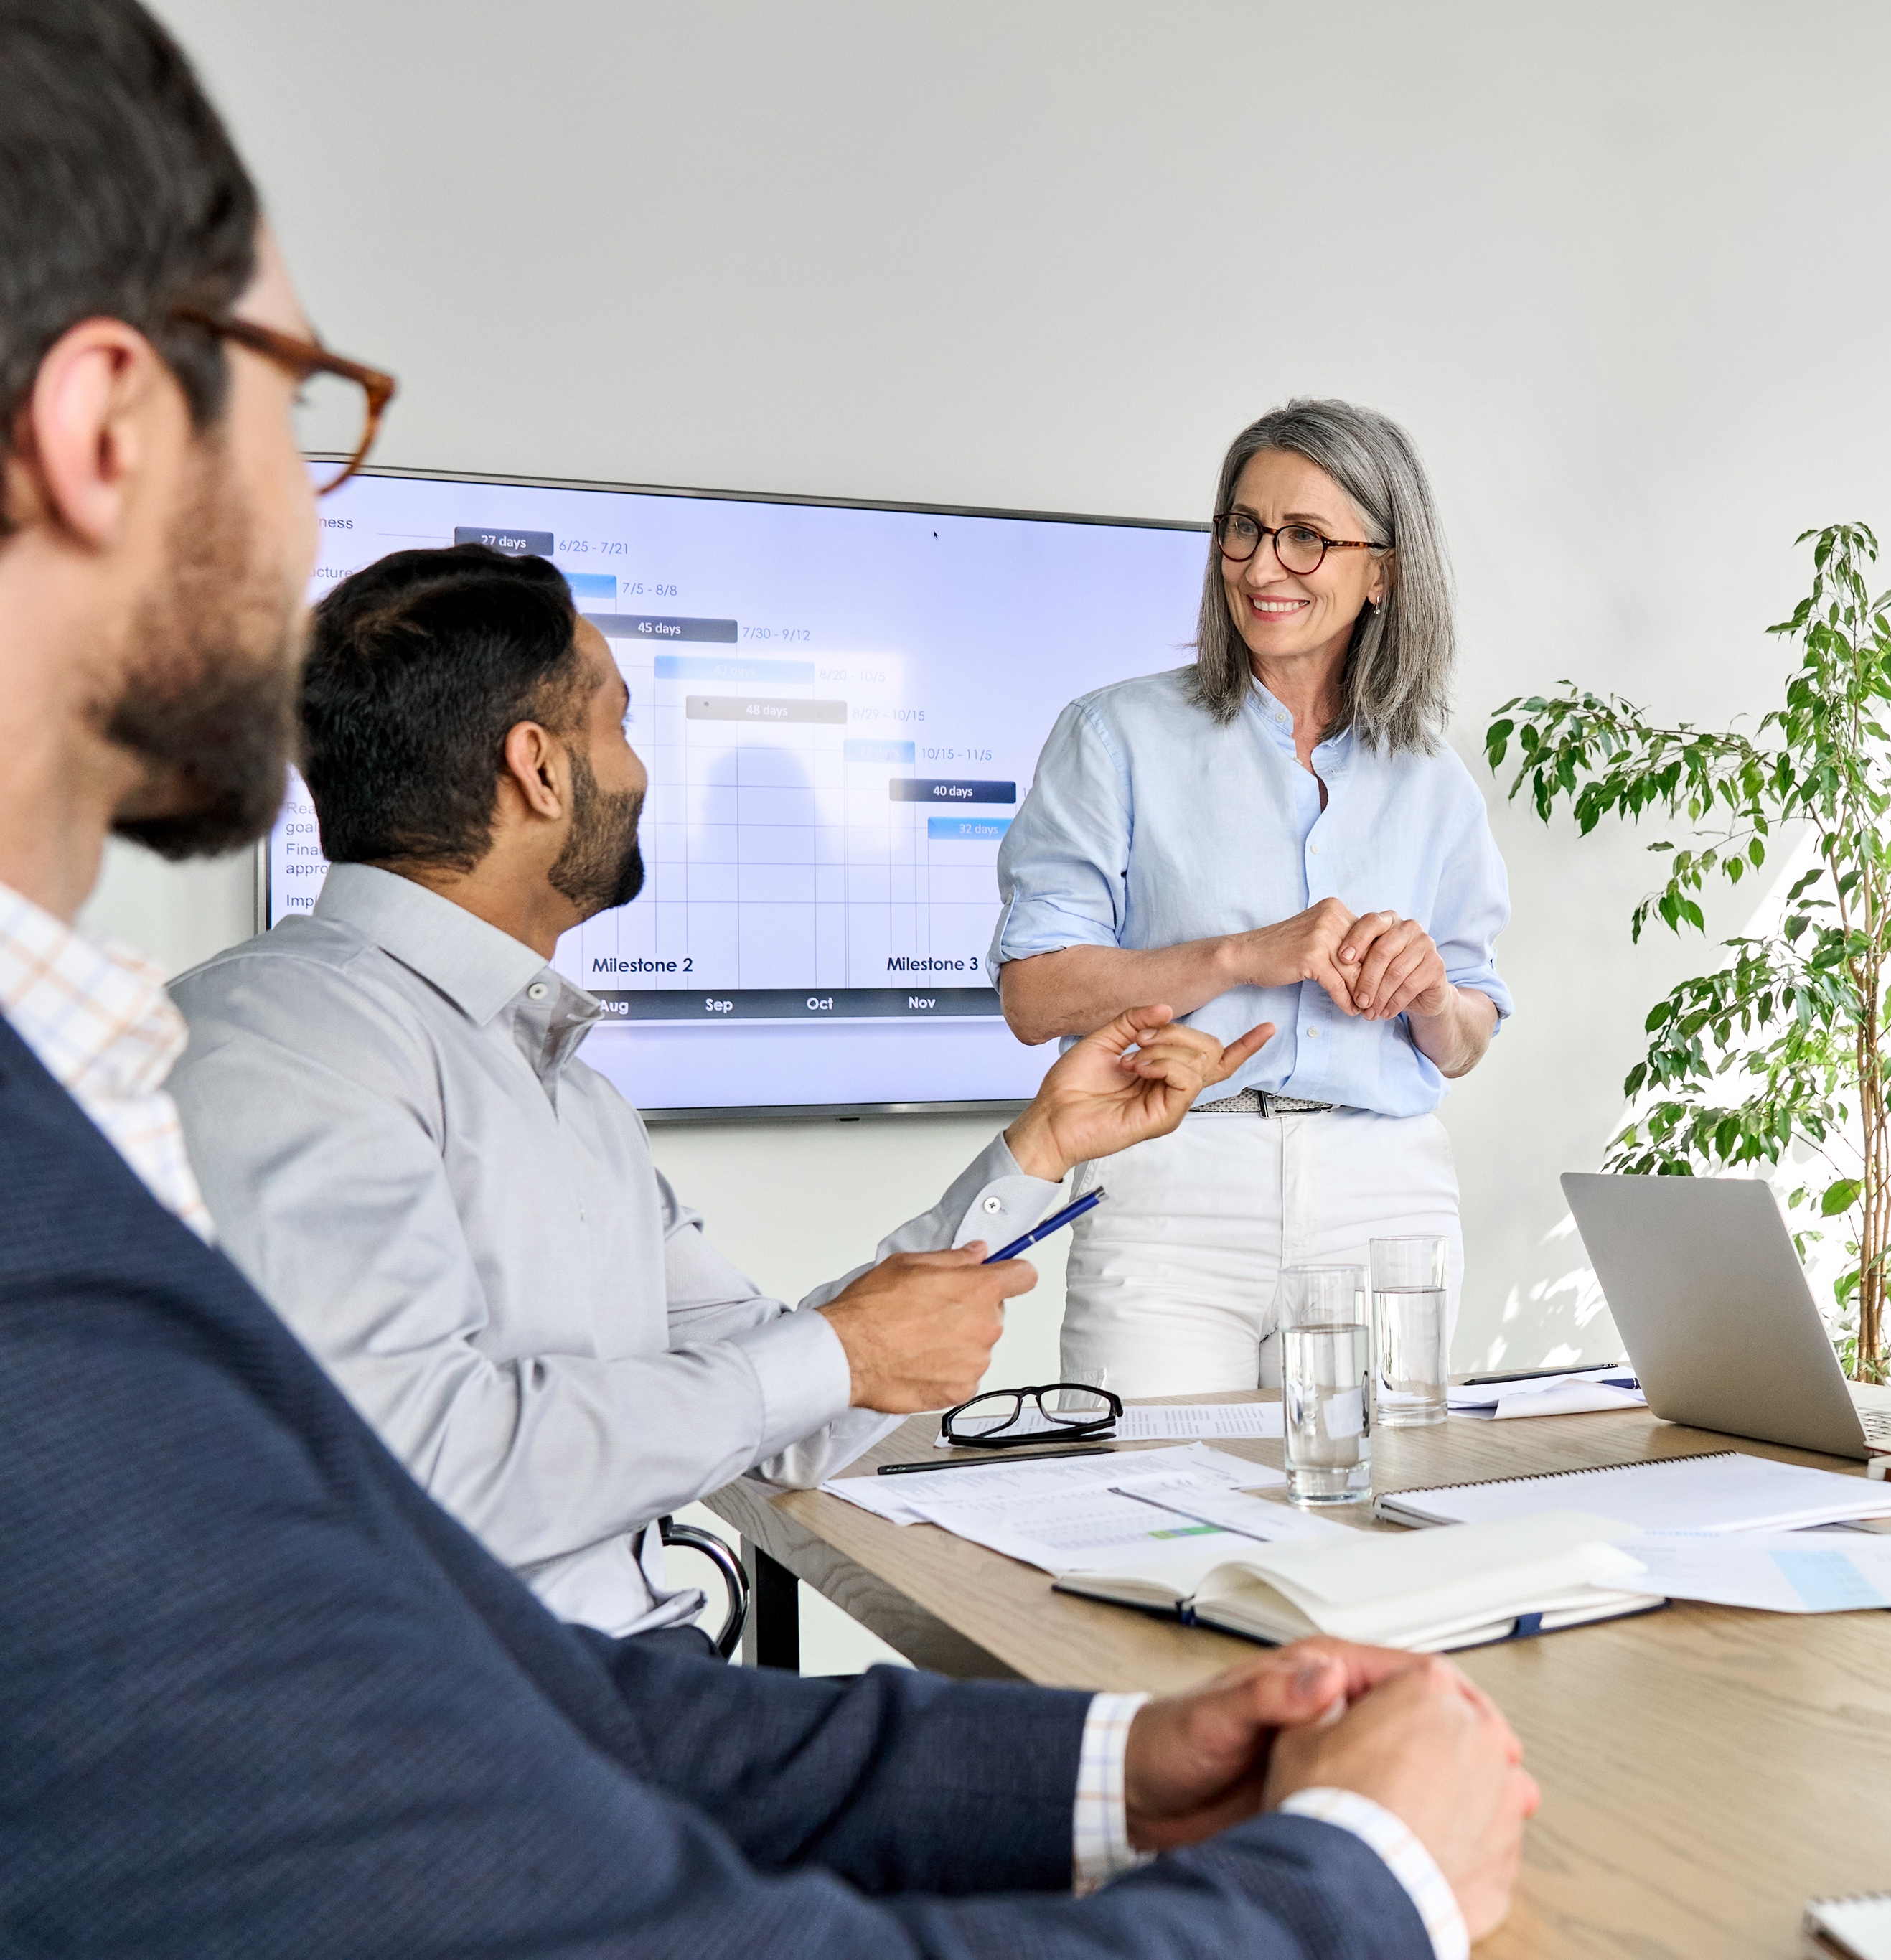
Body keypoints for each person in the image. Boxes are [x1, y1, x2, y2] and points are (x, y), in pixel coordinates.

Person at [0, 4, 1532, 1951]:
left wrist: (1037, 1167)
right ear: (105, 421)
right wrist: (1359, 1883)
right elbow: (491, 1495)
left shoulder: (535, 1076)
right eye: (301, 402)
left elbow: (754, 1448)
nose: (310, 503)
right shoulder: (264, 1059)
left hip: (677, 1701)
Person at [164, 544, 1272, 1640]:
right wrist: (840, 1350)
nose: (640, 771)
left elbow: (791, 1410)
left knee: (1132, 1748)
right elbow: (426, 1466)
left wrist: (1040, 1150)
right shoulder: (284, 1042)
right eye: (621, 724)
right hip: (485, 1730)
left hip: (633, 1685)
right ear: (539, 768)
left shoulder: (567, 1096)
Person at [990, 400, 1511, 1395]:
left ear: (1383, 571)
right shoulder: (1114, 737)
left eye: (1307, 538)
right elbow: (1033, 994)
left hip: (1386, 1195)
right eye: (1244, 526)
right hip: (1176, 1183)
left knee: (1380, 1525)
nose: (1262, 565)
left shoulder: (1434, 778)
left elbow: (1470, 1033)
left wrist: (1436, 999)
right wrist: (1236, 955)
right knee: (1153, 1522)